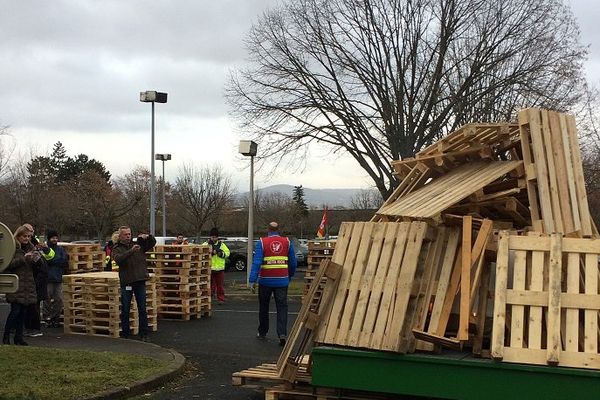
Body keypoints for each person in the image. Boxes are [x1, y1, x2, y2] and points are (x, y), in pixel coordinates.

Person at [249, 221, 297, 346]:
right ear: (278, 230)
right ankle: (282, 334)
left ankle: (263, 331)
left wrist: (252, 280)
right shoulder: (287, 242)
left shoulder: (262, 242)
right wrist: (289, 275)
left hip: (265, 281)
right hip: (282, 280)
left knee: (264, 306)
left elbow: (257, 263)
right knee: (282, 307)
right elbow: (293, 263)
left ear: (268, 230)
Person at [112, 226, 156, 341]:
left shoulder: (138, 244)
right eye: (125, 234)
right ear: (120, 236)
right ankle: (125, 333)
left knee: (142, 308)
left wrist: (148, 236)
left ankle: (144, 333)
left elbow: (152, 243)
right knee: (126, 308)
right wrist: (131, 251)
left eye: (129, 234)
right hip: (127, 281)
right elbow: (119, 259)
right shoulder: (117, 248)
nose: (128, 236)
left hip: (140, 280)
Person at [3, 225, 41, 345]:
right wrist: (23, 259)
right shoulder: (12, 248)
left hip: (27, 284)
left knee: (23, 313)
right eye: (24, 236)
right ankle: (6, 336)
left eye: (29, 236)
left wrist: (37, 259)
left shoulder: (31, 248)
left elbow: (38, 267)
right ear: (18, 236)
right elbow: (7, 264)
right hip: (16, 284)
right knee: (15, 312)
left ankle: (18, 338)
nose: (27, 238)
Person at [23, 223, 50, 337]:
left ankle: (34, 328)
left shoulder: (34, 251)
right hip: (33, 282)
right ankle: (30, 328)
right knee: (30, 307)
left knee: (34, 307)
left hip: (36, 283)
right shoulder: (29, 248)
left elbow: (42, 267)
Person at [42, 229, 69, 328]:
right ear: (49, 238)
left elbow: (64, 261)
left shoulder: (61, 249)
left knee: (59, 299)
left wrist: (53, 260)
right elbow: (46, 261)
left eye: (56, 237)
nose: (55, 239)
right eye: (53, 237)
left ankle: (55, 317)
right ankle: (46, 317)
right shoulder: (45, 249)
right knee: (47, 300)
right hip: (48, 278)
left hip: (58, 278)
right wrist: (56, 260)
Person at [203, 228, 229, 304]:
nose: (213, 238)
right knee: (209, 285)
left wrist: (220, 253)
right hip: (209, 269)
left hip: (219, 269)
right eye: (212, 237)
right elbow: (201, 252)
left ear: (217, 237)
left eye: (215, 237)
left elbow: (227, 253)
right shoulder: (206, 244)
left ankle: (221, 298)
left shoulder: (221, 245)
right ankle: (209, 298)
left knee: (220, 286)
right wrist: (210, 253)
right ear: (210, 237)